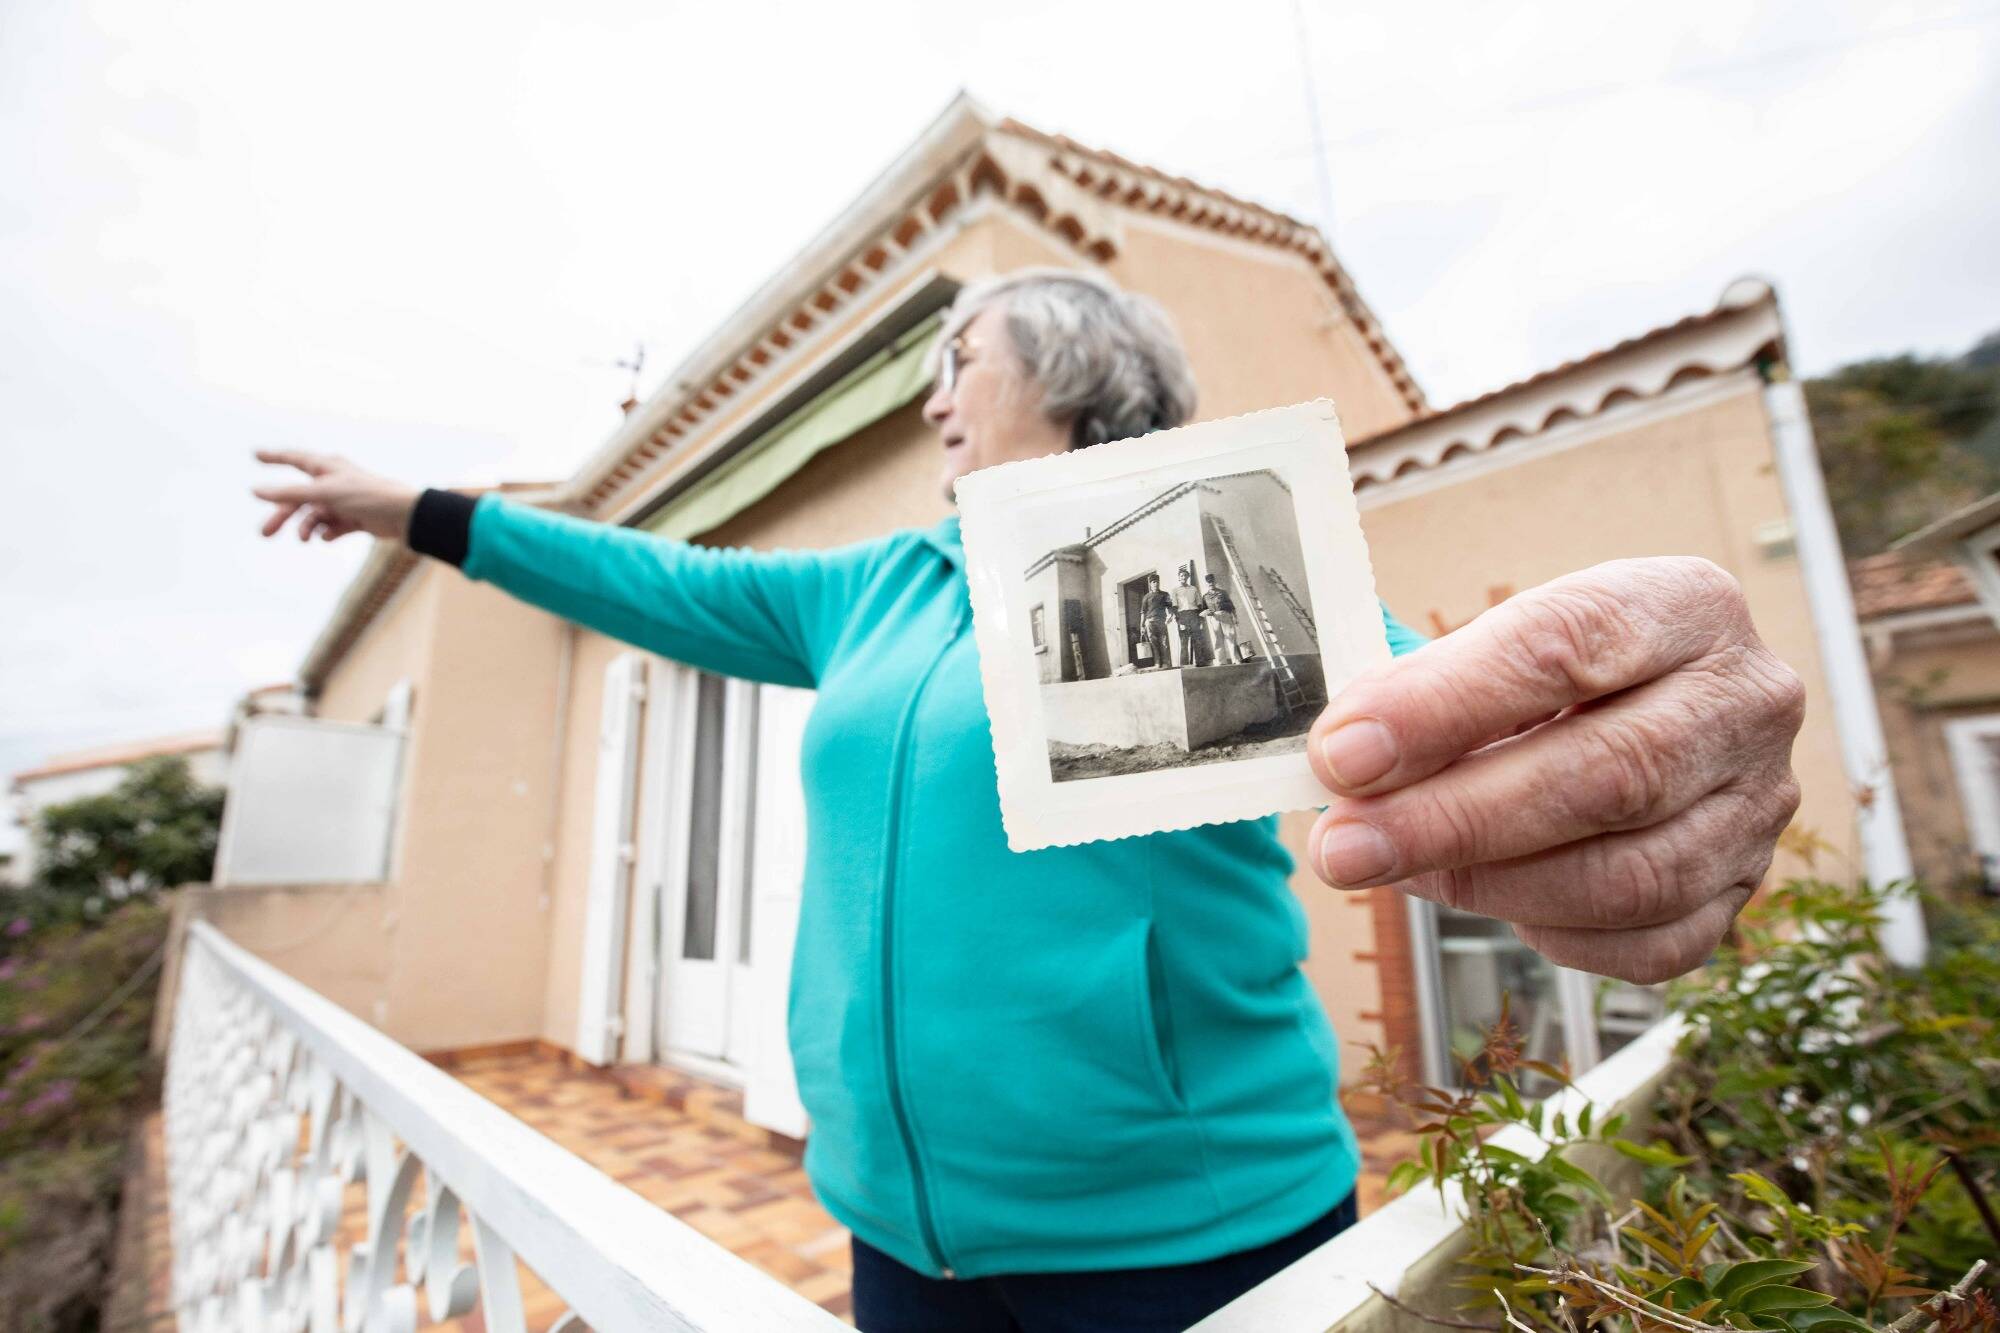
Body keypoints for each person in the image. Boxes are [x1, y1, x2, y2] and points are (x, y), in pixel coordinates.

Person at [252, 268, 1806, 1332]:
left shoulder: (1185, 544)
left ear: (1069, 373)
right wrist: (420, 514)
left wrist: (1632, 740)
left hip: (1182, 1246)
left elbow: (1437, 703)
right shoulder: (870, 589)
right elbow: (651, 582)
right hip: (892, 1237)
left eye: (957, 362)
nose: (931, 398)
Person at [1170, 567, 1208, 667]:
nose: (1183, 577)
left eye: (1185, 575)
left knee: (1197, 639)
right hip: (1182, 616)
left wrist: (1200, 618)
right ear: (1179, 578)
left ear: (1188, 577)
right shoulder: (1175, 590)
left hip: (1194, 614)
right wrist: (1179, 621)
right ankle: (1184, 664)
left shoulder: (1193, 589)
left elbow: (1199, 604)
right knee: (1184, 641)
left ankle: (1200, 662)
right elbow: (1174, 607)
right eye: (1181, 576)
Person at [1202, 572, 1242, 665]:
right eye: (1208, 582)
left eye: (1212, 581)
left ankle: (1235, 659)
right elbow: (1204, 609)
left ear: (1215, 582)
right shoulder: (1205, 596)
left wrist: (1235, 617)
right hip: (1214, 618)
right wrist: (1207, 613)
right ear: (1206, 584)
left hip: (1225, 615)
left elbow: (1231, 606)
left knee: (1230, 637)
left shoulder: (1223, 593)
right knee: (1218, 640)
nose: (1210, 583)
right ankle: (1221, 661)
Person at [1138, 574, 1173, 671]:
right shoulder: (1146, 597)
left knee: (1164, 642)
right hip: (1150, 622)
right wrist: (1141, 626)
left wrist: (1170, 616)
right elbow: (1143, 612)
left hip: (1161, 621)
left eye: (1157, 581)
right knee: (1154, 643)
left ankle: (1166, 663)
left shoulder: (1165, 594)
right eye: (1153, 582)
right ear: (1150, 584)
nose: (1156, 583)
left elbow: (1170, 607)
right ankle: (1157, 663)